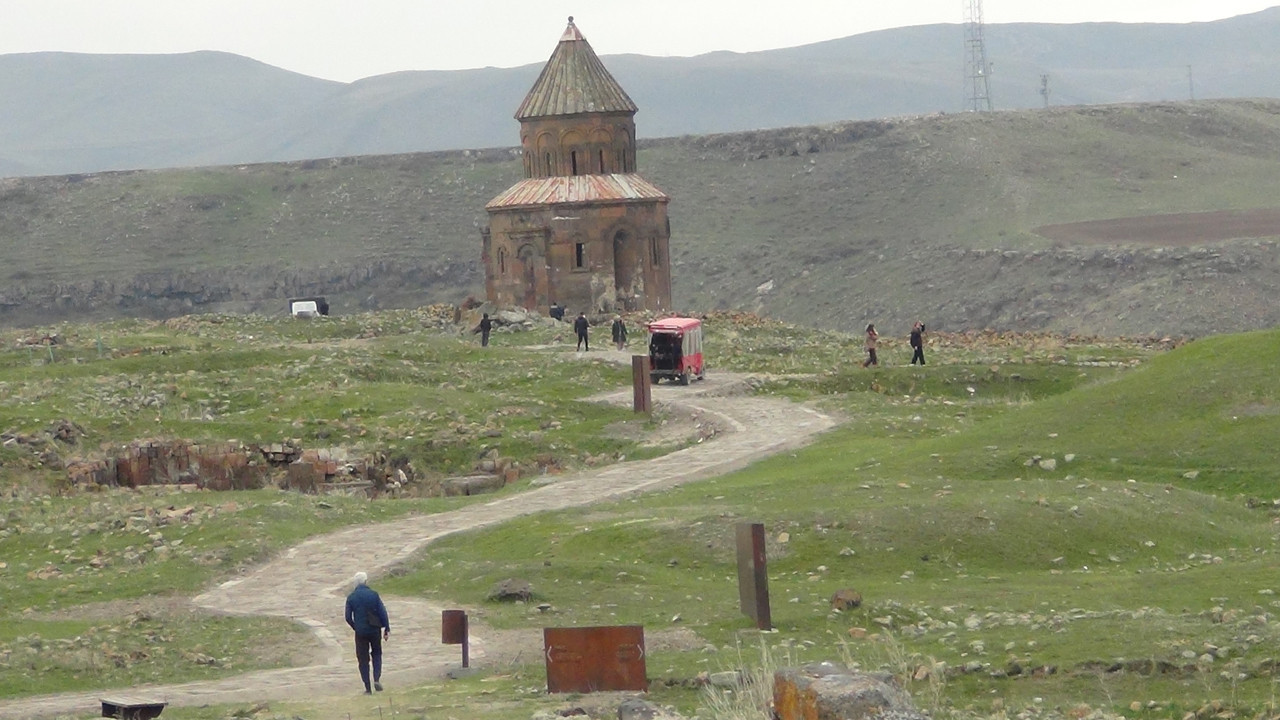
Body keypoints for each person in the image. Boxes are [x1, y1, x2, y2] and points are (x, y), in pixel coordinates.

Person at [345, 571, 390, 694]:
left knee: (363, 659)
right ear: (366, 581)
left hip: (360, 632)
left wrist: (356, 627)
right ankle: (376, 678)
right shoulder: (373, 595)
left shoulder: (351, 597)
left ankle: (367, 687)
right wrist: (386, 628)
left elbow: (348, 617)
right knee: (376, 654)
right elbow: (382, 612)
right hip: (374, 629)